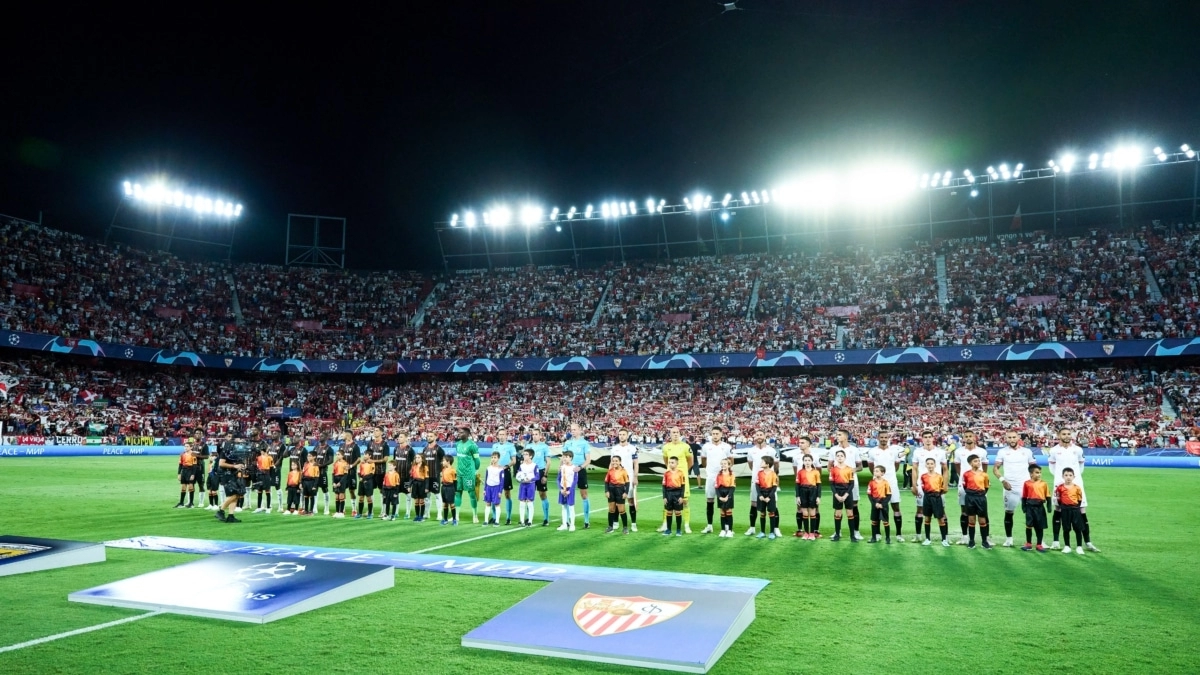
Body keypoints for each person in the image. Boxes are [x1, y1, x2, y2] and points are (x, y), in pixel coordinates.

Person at [1048, 429, 1099, 552]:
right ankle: (1055, 541)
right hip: (1060, 484)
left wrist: (1074, 479)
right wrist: (1061, 480)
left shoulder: (1078, 450)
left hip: (1076, 483)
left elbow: (1081, 466)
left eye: (1068, 434)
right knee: (1058, 509)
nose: (1066, 436)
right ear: (1059, 436)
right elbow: (1052, 467)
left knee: (1081, 510)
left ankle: (1087, 542)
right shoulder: (1054, 450)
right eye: (1064, 434)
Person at [993, 430, 1035, 548]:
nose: (1012, 439)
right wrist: (1003, 481)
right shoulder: (1002, 452)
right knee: (1009, 513)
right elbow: (995, 469)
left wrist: (1033, 483)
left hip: (1026, 487)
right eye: (1009, 437)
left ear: (1018, 438)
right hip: (1009, 487)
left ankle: (1032, 540)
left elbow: (1034, 468)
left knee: (1031, 513)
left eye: (1013, 437)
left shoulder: (1027, 451)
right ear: (1006, 439)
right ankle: (1009, 539)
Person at [911, 430, 947, 545]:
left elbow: (945, 469)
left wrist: (945, 484)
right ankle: (918, 535)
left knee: (942, 511)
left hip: (937, 486)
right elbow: (914, 469)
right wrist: (913, 484)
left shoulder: (940, 452)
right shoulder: (917, 452)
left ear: (933, 438)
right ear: (922, 439)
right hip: (922, 486)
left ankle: (945, 537)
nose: (927, 439)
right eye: (925, 437)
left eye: (929, 437)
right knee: (920, 510)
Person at [868, 433, 905, 542]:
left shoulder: (894, 451)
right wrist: (877, 477)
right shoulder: (872, 451)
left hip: (892, 482)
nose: (883, 439)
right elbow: (871, 466)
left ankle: (898, 534)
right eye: (881, 437)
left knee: (896, 507)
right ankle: (878, 533)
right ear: (878, 438)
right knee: (877, 506)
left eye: (885, 437)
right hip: (878, 483)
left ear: (888, 438)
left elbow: (896, 466)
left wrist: (889, 475)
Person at [955, 430, 989, 545]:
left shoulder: (982, 451)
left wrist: (980, 478)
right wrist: (964, 479)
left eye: (970, 436)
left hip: (979, 486)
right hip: (964, 484)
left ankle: (986, 538)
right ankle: (965, 537)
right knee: (964, 510)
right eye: (966, 436)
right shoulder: (959, 451)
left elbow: (985, 465)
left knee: (983, 512)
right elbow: (957, 465)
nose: (968, 438)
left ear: (974, 438)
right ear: (963, 438)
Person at [745, 431, 780, 537]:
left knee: (773, 505)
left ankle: (775, 529)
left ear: (765, 436)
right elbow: (751, 465)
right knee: (754, 504)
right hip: (756, 481)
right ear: (754, 437)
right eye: (757, 435)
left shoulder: (771, 450)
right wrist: (757, 475)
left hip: (769, 482)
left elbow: (777, 465)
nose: (759, 436)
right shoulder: (751, 451)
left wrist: (774, 478)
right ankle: (752, 528)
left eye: (761, 435)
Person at [831, 430, 864, 541]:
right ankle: (837, 532)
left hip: (851, 481)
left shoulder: (854, 450)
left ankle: (856, 531)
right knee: (838, 508)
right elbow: (829, 466)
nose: (837, 437)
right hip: (838, 483)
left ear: (846, 436)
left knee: (853, 506)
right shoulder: (833, 449)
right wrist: (835, 474)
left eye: (839, 435)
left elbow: (860, 466)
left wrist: (850, 470)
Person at [659, 427, 693, 533]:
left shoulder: (686, 447)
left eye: (677, 432)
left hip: (682, 479)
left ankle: (687, 525)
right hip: (670, 479)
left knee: (685, 501)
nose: (675, 434)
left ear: (680, 434)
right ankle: (665, 524)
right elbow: (666, 461)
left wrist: (681, 473)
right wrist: (671, 472)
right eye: (673, 432)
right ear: (670, 434)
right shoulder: (666, 447)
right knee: (667, 502)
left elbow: (691, 461)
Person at [701, 426, 732, 534]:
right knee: (710, 501)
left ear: (721, 434)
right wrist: (709, 470)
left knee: (724, 502)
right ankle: (709, 525)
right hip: (710, 477)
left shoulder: (726, 447)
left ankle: (726, 527)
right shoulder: (706, 447)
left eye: (717, 434)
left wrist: (726, 473)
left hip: (723, 478)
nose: (715, 436)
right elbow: (703, 460)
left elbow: (731, 460)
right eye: (713, 433)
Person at [610, 428, 640, 532]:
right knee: (617, 501)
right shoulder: (614, 449)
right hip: (616, 478)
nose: (621, 436)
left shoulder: (632, 448)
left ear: (627, 436)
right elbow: (611, 463)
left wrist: (635, 477)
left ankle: (633, 523)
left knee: (631, 500)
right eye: (620, 434)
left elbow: (636, 463)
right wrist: (609, 475)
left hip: (629, 477)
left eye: (624, 434)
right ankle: (615, 522)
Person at [214, 436, 248, 523]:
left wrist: (241, 466)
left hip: (233, 474)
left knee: (235, 494)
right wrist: (234, 466)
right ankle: (220, 511)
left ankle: (231, 516)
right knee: (234, 494)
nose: (241, 442)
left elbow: (237, 462)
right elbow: (221, 463)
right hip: (226, 474)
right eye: (240, 440)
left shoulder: (237, 451)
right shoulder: (226, 450)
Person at [962, 454, 992, 549]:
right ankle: (971, 541)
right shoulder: (966, 474)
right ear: (970, 463)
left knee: (982, 520)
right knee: (971, 520)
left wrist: (980, 494)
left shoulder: (984, 474)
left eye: (979, 461)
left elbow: (986, 487)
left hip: (981, 498)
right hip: (970, 498)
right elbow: (965, 486)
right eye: (975, 461)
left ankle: (984, 542)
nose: (978, 463)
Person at [454, 426, 482, 524]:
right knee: (457, 493)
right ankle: (456, 516)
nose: (459, 434)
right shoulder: (457, 444)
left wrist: (475, 470)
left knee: (472, 494)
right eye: (459, 432)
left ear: (467, 433)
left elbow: (477, 461)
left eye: (461, 432)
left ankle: (475, 515)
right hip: (459, 474)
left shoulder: (472, 445)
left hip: (469, 474)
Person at [1055, 467, 1086, 555]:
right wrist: (1064, 507)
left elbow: (1079, 499)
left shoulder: (1077, 488)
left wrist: (1076, 508)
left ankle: (1079, 547)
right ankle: (1067, 546)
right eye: (1066, 475)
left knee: (1077, 529)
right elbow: (1059, 499)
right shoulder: (1060, 488)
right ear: (1062, 476)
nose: (1068, 477)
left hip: (1075, 510)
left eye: (1070, 475)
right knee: (1066, 528)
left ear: (1073, 477)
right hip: (1065, 510)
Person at [919, 457, 950, 546]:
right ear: (925, 465)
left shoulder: (939, 476)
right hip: (927, 498)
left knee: (940, 518)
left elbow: (942, 488)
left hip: (937, 498)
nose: (930, 465)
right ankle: (927, 539)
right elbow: (923, 487)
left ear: (935, 465)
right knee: (927, 518)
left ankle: (944, 539)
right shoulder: (923, 476)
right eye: (928, 464)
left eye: (931, 464)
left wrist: (937, 495)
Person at [1021, 464, 1051, 552]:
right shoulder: (1026, 483)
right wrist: (1024, 507)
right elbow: (1024, 496)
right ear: (1031, 474)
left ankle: (1039, 544)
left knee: (1039, 526)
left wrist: (1049, 506)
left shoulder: (1044, 483)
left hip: (1040, 507)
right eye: (1037, 472)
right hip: (1030, 507)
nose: (1039, 474)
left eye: (1040, 473)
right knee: (1029, 525)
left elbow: (1048, 496)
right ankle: (1028, 544)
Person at [492, 428, 519, 525]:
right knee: (494, 494)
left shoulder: (511, 446)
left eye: (503, 434)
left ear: (506, 436)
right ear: (498, 436)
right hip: (495, 472)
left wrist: (505, 467)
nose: (502, 436)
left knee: (507, 494)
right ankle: (494, 517)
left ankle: (508, 517)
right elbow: (493, 459)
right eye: (500, 434)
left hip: (505, 471)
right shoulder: (495, 446)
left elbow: (514, 461)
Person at [828, 449, 856, 542]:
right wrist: (836, 495)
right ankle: (837, 534)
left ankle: (852, 536)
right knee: (838, 513)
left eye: (841, 456)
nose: (840, 457)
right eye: (838, 456)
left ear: (845, 457)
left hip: (847, 492)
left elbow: (852, 484)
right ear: (835, 458)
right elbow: (831, 484)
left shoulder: (849, 469)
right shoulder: (833, 470)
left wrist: (845, 495)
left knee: (850, 513)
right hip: (837, 492)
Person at [527, 429, 552, 526]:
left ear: (540, 435)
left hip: (540, 472)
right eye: (533, 434)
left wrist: (545, 475)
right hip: (530, 472)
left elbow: (548, 462)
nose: (534, 436)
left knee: (542, 495)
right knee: (529, 496)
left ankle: (546, 518)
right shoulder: (528, 446)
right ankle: (529, 518)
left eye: (536, 434)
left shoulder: (544, 447)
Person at [795, 449, 822, 540]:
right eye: (805, 460)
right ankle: (806, 533)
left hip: (813, 491)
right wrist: (797, 496)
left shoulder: (816, 472)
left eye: (809, 460)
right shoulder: (800, 472)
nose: (807, 462)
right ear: (803, 461)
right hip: (803, 491)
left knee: (813, 512)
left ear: (812, 461)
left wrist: (818, 497)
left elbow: (819, 485)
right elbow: (797, 485)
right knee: (805, 513)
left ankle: (812, 533)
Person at [661, 455, 688, 537]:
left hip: (677, 493)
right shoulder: (666, 473)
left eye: (672, 462)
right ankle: (668, 529)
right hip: (669, 493)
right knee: (669, 512)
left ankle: (678, 530)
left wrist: (681, 497)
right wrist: (664, 497)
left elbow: (683, 486)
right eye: (669, 462)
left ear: (677, 463)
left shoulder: (680, 473)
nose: (670, 464)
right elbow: (663, 486)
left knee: (678, 512)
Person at [754, 456, 780, 540]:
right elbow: (757, 485)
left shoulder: (773, 474)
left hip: (770, 494)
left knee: (771, 513)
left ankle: (772, 532)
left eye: (762, 462)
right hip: (761, 493)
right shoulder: (759, 473)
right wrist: (760, 495)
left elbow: (774, 487)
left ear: (767, 464)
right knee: (762, 513)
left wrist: (769, 497)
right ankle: (762, 532)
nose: (760, 463)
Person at [604, 454, 630, 534]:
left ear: (620, 462)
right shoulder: (610, 471)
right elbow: (606, 482)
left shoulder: (623, 471)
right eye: (613, 461)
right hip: (611, 490)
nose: (614, 462)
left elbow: (627, 483)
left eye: (616, 461)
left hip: (620, 490)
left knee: (621, 510)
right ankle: (610, 527)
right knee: (611, 509)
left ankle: (625, 527)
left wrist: (626, 492)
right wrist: (606, 491)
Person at [310, 432, 335, 515]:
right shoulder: (316, 447)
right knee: (315, 490)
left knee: (325, 490)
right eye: (320, 436)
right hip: (315, 473)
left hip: (323, 472)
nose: (320, 437)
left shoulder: (329, 449)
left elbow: (331, 460)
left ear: (326, 437)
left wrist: (321, 465)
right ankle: (314, 507)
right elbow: (312, 457)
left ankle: (326, 508)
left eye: (322, 436)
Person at [392, 432, 416, 519]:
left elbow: (414, 462)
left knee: (408, 494)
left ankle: (408, 512)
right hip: (397, 476)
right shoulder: (396, 448)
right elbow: (394, 460)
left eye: (401, 437)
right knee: (396, 494)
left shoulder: (410, 450)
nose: (399, 438)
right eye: (399, 437)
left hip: (406, 477)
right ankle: (396, 511)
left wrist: (412, 471)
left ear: (406, 438)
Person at [867, 465, 893, 544]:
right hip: (875, 504)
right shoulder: (871, 483)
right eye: (874, 471)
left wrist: (883, 504)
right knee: (874, 521)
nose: (875, 472)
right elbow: (869, 495)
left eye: (877, 471)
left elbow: (889, 495)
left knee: (885, 521)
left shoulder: (886, 483)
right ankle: (873, 537)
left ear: (882, 473)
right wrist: (875, 503)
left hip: (883, 505)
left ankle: (888, 538)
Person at [421, 432, 444, 518]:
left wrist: (442, 471)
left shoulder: (439, 449)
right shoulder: (425, 449)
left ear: (435, 437)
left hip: (435, 475)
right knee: (427, 495)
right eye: (428, 436)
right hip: (426, 476)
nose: (429, 437)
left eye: (431, 436)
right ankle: (427, 513)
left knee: (437, 494)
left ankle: (439, 514)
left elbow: (444, 461)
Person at [367, 429, 390, 517]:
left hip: (381, 471)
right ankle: (370, 511)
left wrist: (373, 461)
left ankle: (383, 511)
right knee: (370, 490)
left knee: (382, 491)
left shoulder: (385, 444)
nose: (375, 432)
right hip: (371, 472)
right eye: (374, 430)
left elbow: (385, 459)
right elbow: (367, 455)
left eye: (377, 431)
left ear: (381, 432)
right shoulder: (370, 443)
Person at [338, 432, 361, 516]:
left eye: (343, 434)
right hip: (342, 473)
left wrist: (351, 466)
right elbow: (339, 457)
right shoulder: (341, 446)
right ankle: (342, 510)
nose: (342, 435)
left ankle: (354, 510)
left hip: (351, 472)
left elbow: (359, 459)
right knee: (342, 490)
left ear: (348, 435)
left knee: (352, 491)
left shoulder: (355, 446)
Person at [715, 456, 737, 537]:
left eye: (725, 464)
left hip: (728, 493)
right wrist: (719, 497)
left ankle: (730, 530)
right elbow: (716, 487)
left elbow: (733, 487)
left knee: (728, 512)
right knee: (722, 513)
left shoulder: (732, 474)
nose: (723, 465)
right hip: (721, 493)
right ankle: (723, 530)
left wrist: (728, 496)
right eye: (722, 464)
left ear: (729, 465)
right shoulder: (718, 474)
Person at [516, 448, 539, 527]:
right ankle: (521, 520)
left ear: (531, 456)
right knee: (522, 502)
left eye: (526, 454)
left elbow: (537, 476)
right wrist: (518, 479)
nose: (524, 456)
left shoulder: (534, 465)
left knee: (529, 502)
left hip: (530, 485)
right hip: (523, 485)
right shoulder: (522, 465)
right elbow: (518, 474)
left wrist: (531, 479)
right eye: (524, 454)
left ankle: (530, 521)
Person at [557, 449, 578, 532]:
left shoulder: (574, 468)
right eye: (563, 457)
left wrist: (570, 490)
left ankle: (572, 525)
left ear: (571, 458)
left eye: (566, 457)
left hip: (570, 489)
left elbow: (575, 480)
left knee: (571, 507)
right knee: (563, 507)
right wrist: (560, 489)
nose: (564, 459)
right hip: (562, 489)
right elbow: (558, 479)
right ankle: (564, 524)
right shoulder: (562, 467)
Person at [482, 452, 505, 526]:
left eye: (495, 457)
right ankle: (486, 521)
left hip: (496, 488)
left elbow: (502, 481)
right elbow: (486, 479)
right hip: (488, 487)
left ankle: (497, 521)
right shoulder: (488, 468)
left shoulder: (500, 469)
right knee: (488, 503)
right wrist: (484, 489)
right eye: (492, 457)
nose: (493, 459)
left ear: (498, 458)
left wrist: (500, 491)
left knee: (497, 504)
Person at [175, 439, 199, 508]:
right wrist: (179, 474)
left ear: (191, 447)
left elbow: (195, 465)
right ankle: (181, 503)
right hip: (184, 471)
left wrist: (193, 474)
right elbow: (180, 465)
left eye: (187, 446)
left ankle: (191, 503)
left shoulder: (193, 454)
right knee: (183, 487)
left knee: (191, 486)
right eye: (185, 446)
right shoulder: (182, 454)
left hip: (190, 470)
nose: (185, 448)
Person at [252, 443, 275, 513]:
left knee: (267, 491)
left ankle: (268, 508)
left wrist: (271, 477)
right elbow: (256, 467)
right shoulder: (258, 458)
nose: (261, 451)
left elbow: (272, 468)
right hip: (260, 476)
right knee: (259, 492)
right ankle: (259, 507)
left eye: (262, 450)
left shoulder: (269, 458)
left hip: (266, 475)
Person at [355, 444, 377, 519]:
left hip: (368, 482)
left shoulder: (372, 463)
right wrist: (360, 477)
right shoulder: (361, 463)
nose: (364, 455)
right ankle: (359, 513)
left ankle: (370, 513)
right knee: (361, 498)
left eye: (365, 454)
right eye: (364, 454)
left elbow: (372, 474)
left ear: (370, 456)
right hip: (361, 482)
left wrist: (363, 478)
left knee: (369, 498)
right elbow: (358, 471)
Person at [331, 450, 352, 518]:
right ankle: (337, 512)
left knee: (341, 496)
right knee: (336, 497)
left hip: (342, 479)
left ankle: (341, 512)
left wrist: (340, 482)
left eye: (339, 454)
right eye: (336, 454)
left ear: (342, 456)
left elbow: (345, 475)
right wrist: (333, 482)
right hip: (336, 479)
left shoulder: (345, 463)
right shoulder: (335, 463)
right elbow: (333, 474)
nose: (337, 456)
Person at [409, 454, 429, 522]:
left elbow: (426, 478)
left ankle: (421, 516)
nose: (417, 459)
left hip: (422, 484)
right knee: (416, 500)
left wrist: (426, 487)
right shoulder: (413, 466)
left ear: (422, 459)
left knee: (421, 500)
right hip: (415, 484)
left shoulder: (425, 467)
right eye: (416, 457)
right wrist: (409, 486)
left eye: (418, 457)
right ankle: (417, 515)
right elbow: (411, 477)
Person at [439, 456, 458, 525]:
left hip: (450, 488)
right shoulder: (443, 469)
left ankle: (454, 519)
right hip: (444, 487)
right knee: (445, 503)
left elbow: (455, 481)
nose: (442, 462)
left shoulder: (453, 470)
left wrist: (455, 490)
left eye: (444, 461)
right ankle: (445, 519)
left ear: (448, 462)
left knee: (451, 504)